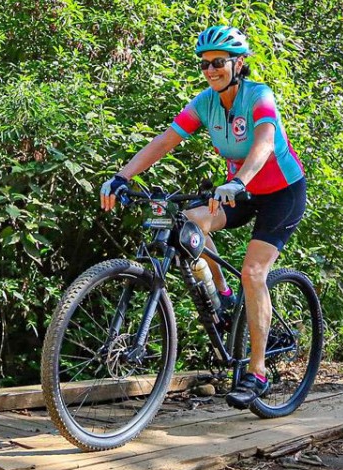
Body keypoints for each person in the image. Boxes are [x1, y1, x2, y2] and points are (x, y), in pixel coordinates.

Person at [98, 25, 307, 409]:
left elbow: (264, 143)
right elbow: (165, 142)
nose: (211, 70)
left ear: (238, 64)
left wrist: (239, 181)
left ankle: (257, 373)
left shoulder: (258, 95)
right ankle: (224, 298)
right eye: (205, 64)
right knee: (187, 223)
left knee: (253, 272)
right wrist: (121, 177)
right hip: (240, 191)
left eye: (218, 62)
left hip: (281, 193)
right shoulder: (205, 104)